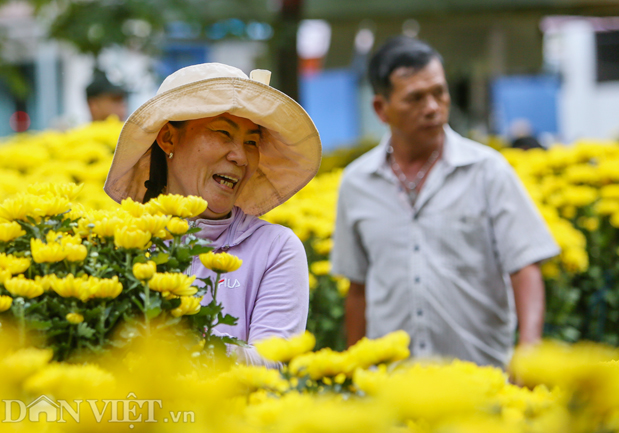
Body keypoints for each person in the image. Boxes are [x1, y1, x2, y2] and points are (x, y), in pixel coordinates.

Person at [331, 36, 560, 368]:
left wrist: (529, 348)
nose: (433, 108)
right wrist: (356, 372)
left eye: (439, 92)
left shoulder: (487, 171)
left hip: (481, 379)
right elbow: (358, 289)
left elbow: (525, 265)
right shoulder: (357, 183)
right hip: (394, 388)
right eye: (415, 98)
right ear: (381, 109)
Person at [104, 63, 321, 366]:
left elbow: (272, 363)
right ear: (168, 139)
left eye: (251, 142)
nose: (241, 157)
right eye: (222, 133)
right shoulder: (121, 247)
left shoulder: (276, 248)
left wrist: (180, 344)